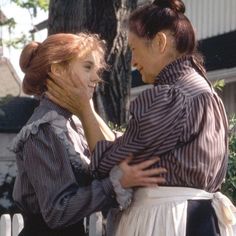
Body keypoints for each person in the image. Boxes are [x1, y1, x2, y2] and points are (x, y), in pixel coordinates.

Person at [46, 1, 236, 236]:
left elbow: (107, 164)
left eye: (134, 49)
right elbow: (136, 144)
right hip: (199, 219)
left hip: (166, 221)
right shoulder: (204, 92)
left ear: (159, 43)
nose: (133, 61)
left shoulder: (170, 96)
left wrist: (84, 108)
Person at [11, 32, 167, 236]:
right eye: (87, 67)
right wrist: (117, 183)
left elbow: (115, 150)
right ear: (57, 69)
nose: (96, 77)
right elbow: (58, 211)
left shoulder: (73, 122)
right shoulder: (42, 130)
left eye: (97, 69)